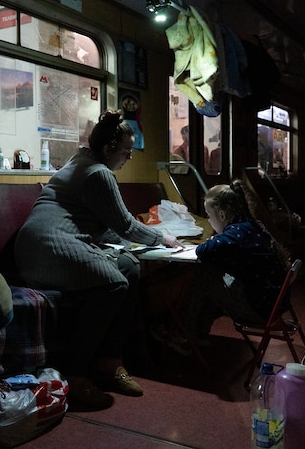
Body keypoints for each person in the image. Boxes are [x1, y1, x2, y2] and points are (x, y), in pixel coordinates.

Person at [15, 110, 184, 411]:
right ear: (108, 150)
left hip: (47, 244)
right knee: (114, 284)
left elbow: (107, 226)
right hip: (47, 249)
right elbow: (125, 226)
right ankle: (76, 373)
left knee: (129, 266)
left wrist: (135, 246)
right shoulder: (98, 173)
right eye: (126, 152)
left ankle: (111, 359)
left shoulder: (82, 163)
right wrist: (164, 240)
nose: (128, 158)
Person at [152, 179, 290, 356]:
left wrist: (212, 239)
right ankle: (199, 332)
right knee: (213, 271)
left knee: (203, 274)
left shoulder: (235, 235)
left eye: (209, 216)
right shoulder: (254, 226)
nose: (209, 221)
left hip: (258, 309)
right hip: (275, 303)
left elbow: (203, 250)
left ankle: (183, 333)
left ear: (222, 215)